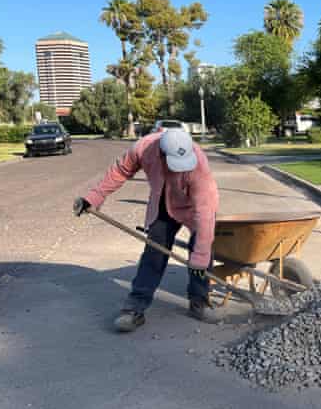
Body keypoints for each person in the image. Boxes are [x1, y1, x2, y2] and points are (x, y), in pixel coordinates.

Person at [73, 129, 219, 332]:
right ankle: (134, 308)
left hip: (192, 207)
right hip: (161, 206)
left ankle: (199, 302)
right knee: (154, 254)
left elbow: (205, 212)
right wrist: (94, 198)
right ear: (161, 154)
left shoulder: (197, 162)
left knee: (202, 248)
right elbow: (119, 171)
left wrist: (200, 257)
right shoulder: (143, 148)